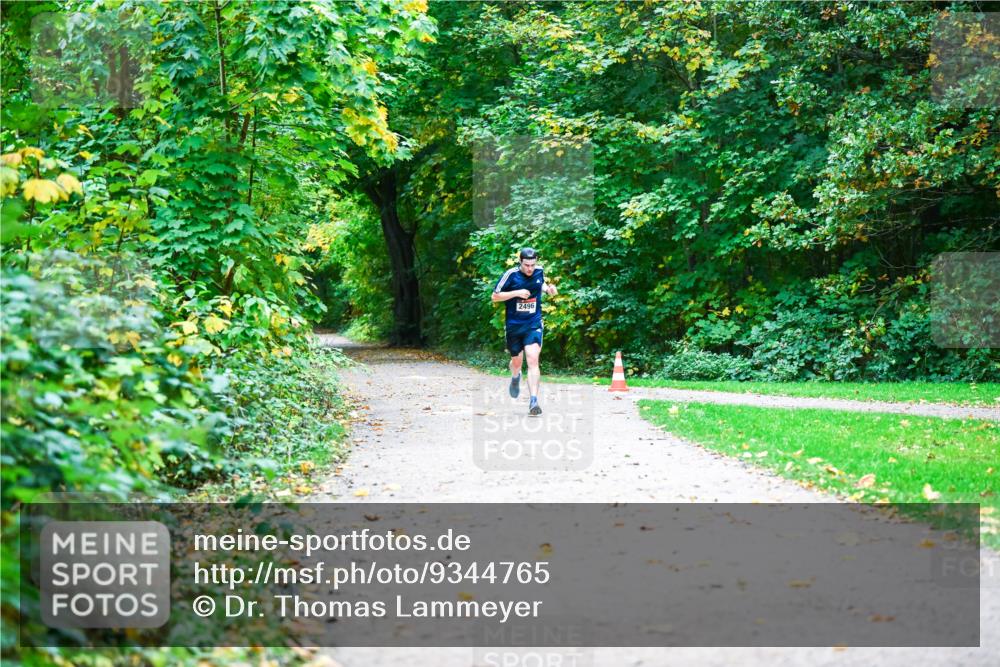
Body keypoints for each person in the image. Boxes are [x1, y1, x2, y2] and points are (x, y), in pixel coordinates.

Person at [491, 247, 557, 415]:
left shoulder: (539, 271)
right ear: (520, 262)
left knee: (533, 359)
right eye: (527, 265)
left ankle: (534, 401)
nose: (530, 269)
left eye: (533, 265)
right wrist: (516, 293)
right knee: (517, 362)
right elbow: (495, 296)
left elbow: (540, 283)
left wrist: (548, 289)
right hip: (514, 325)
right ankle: (515, 376)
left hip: (533, 323)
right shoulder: (511, 275)